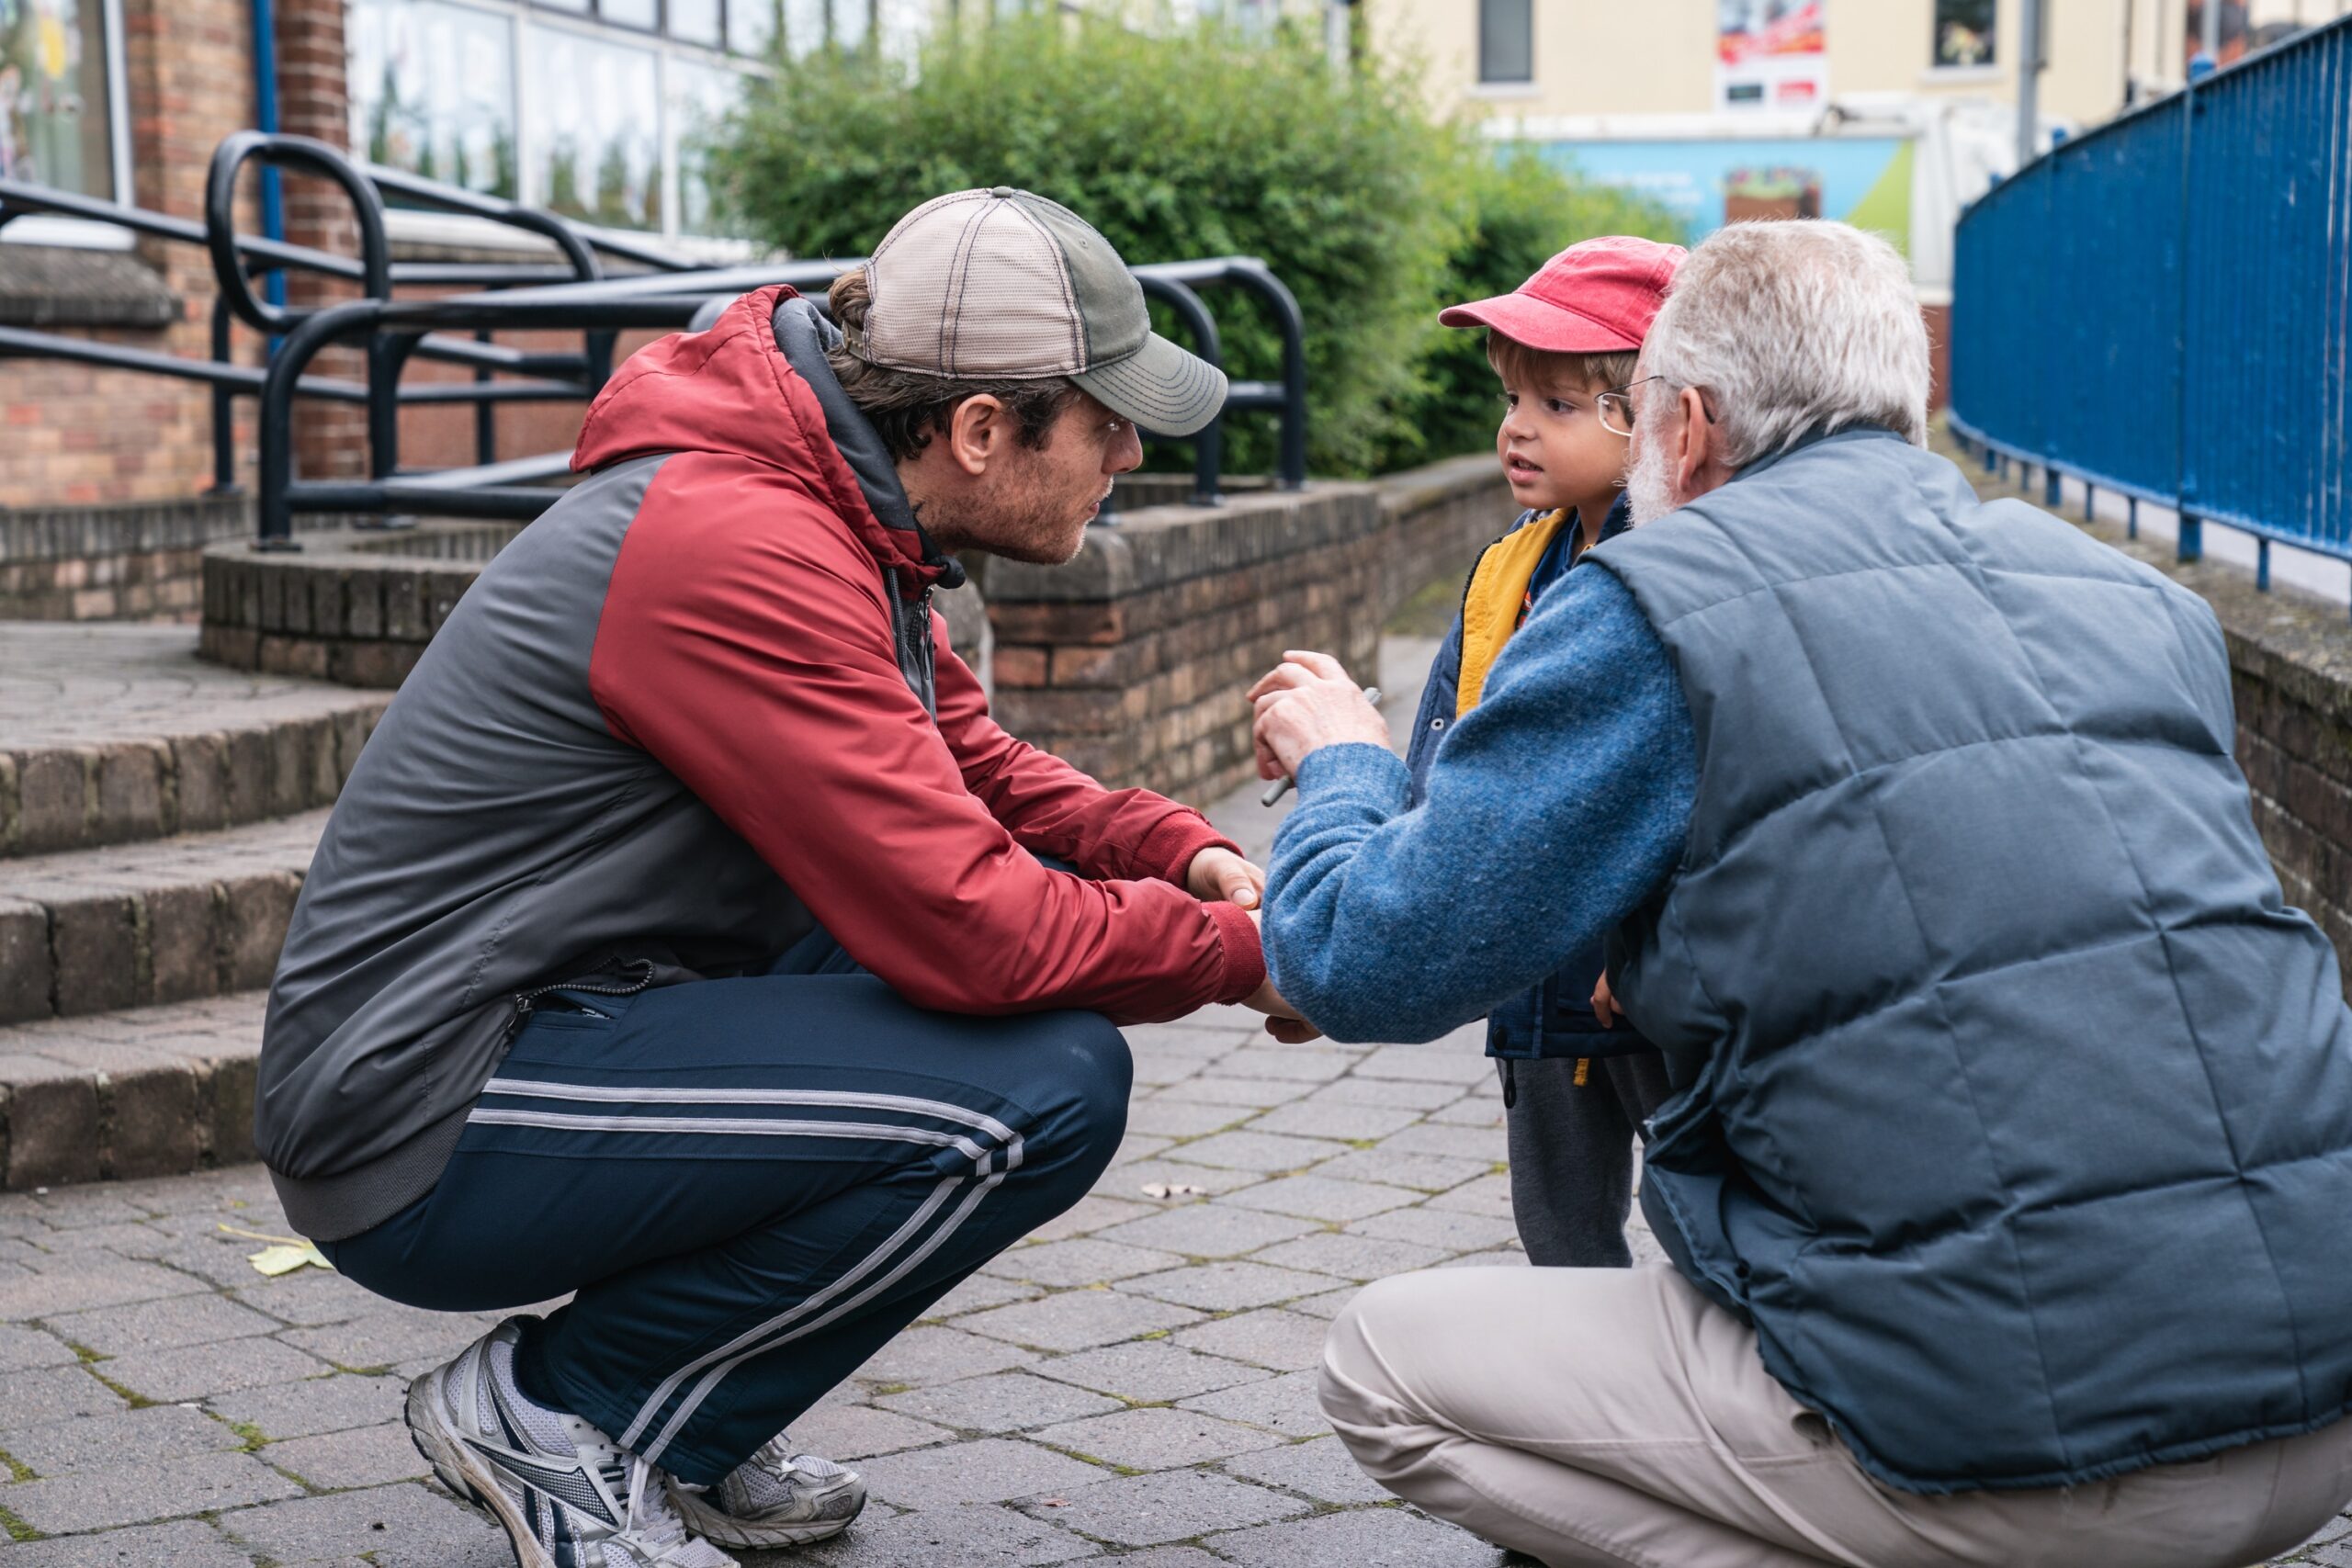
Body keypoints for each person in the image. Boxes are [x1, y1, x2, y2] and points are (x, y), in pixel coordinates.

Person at [1250, 220, 2352, 1566]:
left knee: (1384, 1361)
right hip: (2316, 1392)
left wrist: (1349, 766)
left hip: (2005, 1448)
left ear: (1689, 429)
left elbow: (1365, 961)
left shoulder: (1652, 602)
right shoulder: (2135, 599)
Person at [257, 187, 1299, 1568]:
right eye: (1102, 417)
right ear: (981, 431)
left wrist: (1186, 849)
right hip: (423, 1113)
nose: (1129, 449)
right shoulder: (740, 543)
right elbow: (974, 925)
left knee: (947, 984)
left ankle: (680, 1419)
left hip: (576, 1021)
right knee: (1036, 1087)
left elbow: (971, 761)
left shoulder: (833, 509)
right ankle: (560, 1409)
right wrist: (1253, 957)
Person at [1417, 234, 1683, 1267]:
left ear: (1656, 417)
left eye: (1558, 407)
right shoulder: (1509, 567)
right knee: (1559, 1228)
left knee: (1698, 1221)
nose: (1515, 431)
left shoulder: (1675, 569)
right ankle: (1591, 1401)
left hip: (1647, 980)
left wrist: (1661, 948)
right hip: (1537, 971)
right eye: (1513, 401)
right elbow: (1443, 755)